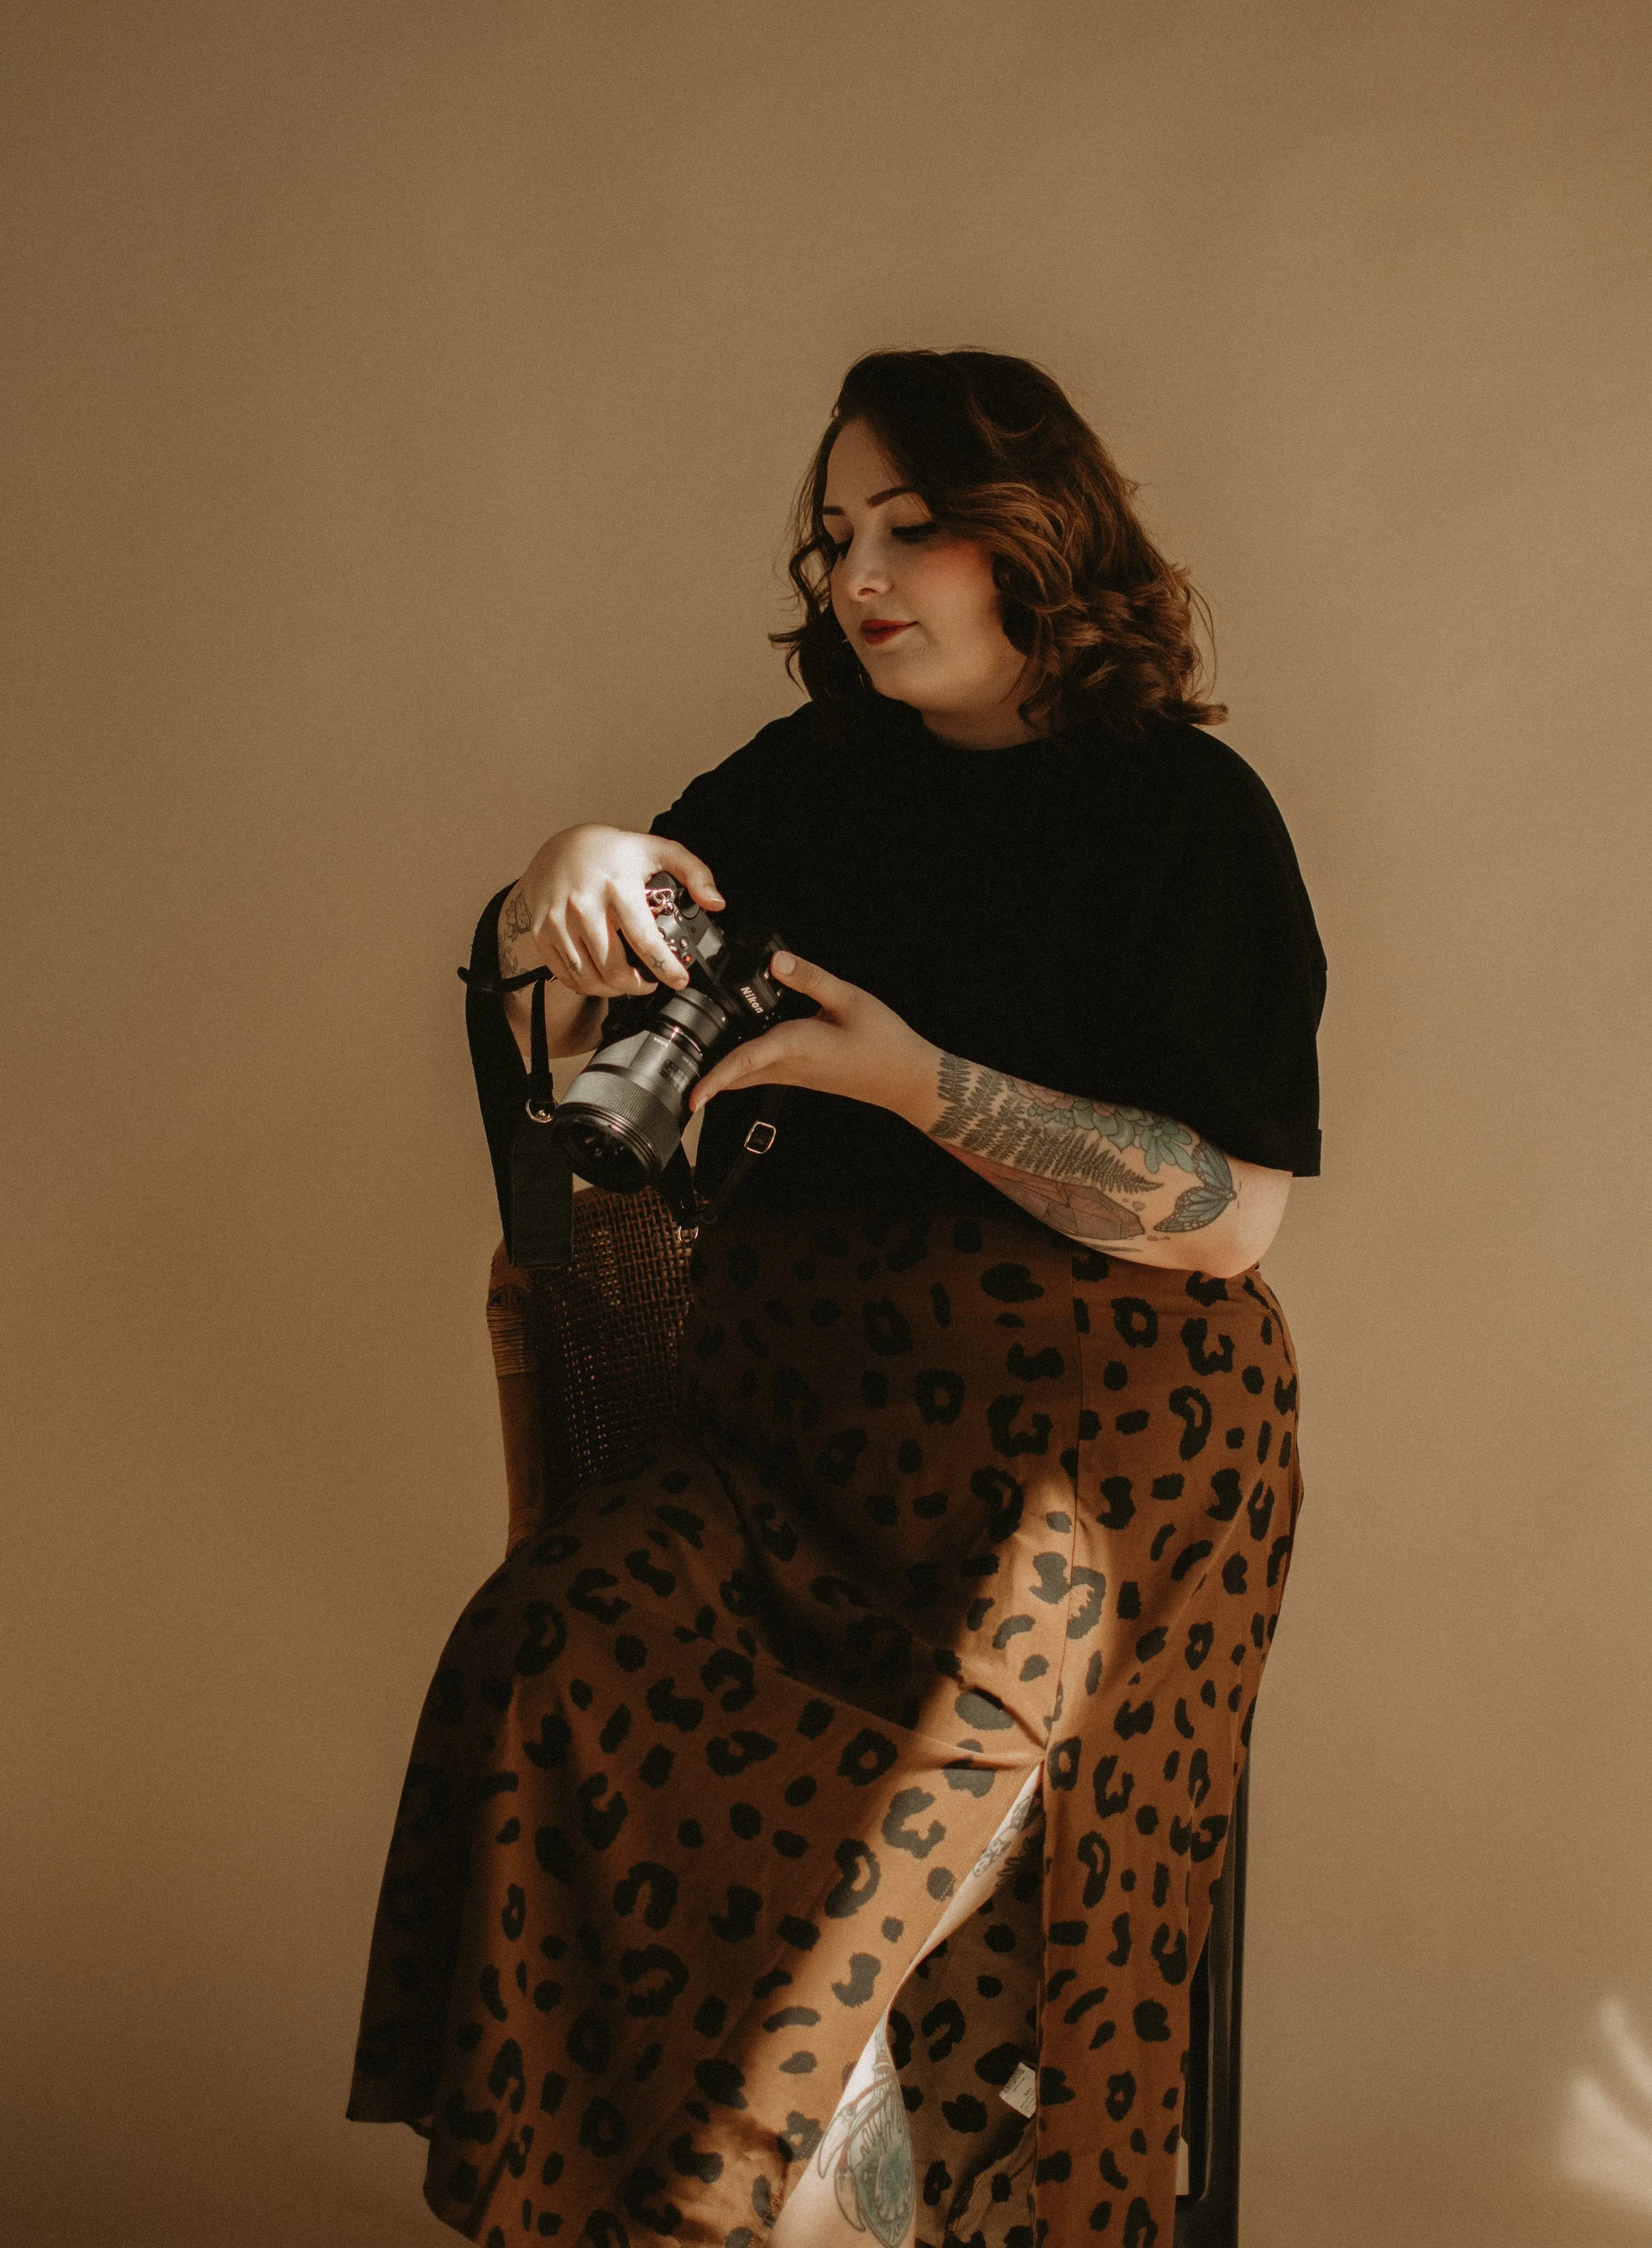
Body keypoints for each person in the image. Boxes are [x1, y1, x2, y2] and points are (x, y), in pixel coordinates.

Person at [346, 349, 1326, 2248]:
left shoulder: (1189, 815)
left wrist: (909, 1079)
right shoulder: (807, 779)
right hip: (787, 1445)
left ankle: (808, 2167)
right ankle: (734, 2183)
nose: (856, 573)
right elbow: (581, 1037)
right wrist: (565, 879)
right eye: (831, 538)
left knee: (901, 1807)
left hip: (1094, 1454)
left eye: (906, 525)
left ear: (1037, 535)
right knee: (552, 1644)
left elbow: (1224, 1219)